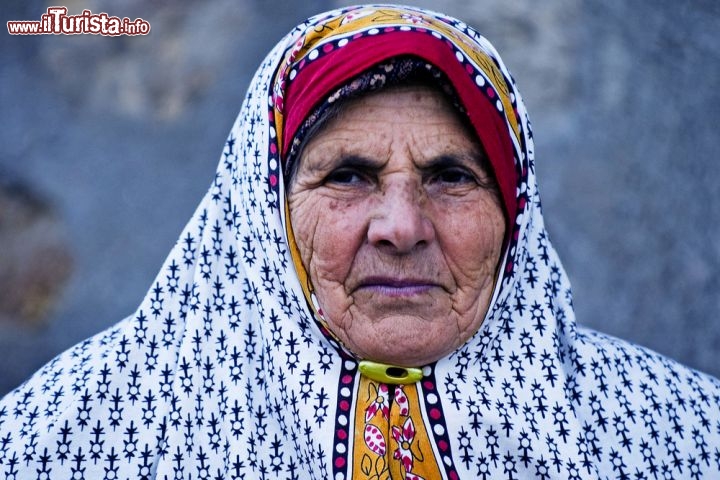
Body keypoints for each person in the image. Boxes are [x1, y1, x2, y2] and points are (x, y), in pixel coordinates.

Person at [1, 4, 718, 479]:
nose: (402, 227)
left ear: (516, 215)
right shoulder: (70, 440)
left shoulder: (680, 438)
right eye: (348, 175)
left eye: (451, 176)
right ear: (266, 211)